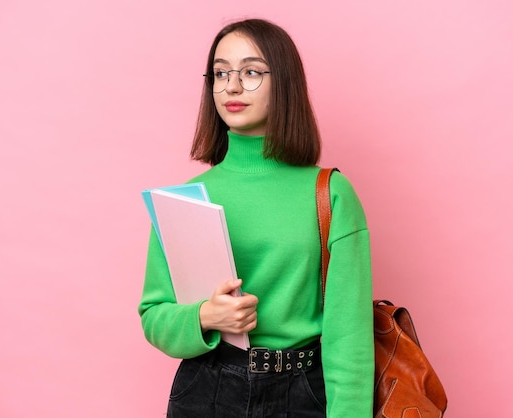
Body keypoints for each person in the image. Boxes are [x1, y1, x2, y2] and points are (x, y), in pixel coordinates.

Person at [138, 18, 374, 417]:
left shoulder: (330, 192)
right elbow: (154, 316)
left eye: (250, 72)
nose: (231, 85)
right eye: (220, 73)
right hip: (207, 389)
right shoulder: (187, 198)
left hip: (303, 392)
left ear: (283, 82)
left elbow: (349, 336)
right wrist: (205, 316)